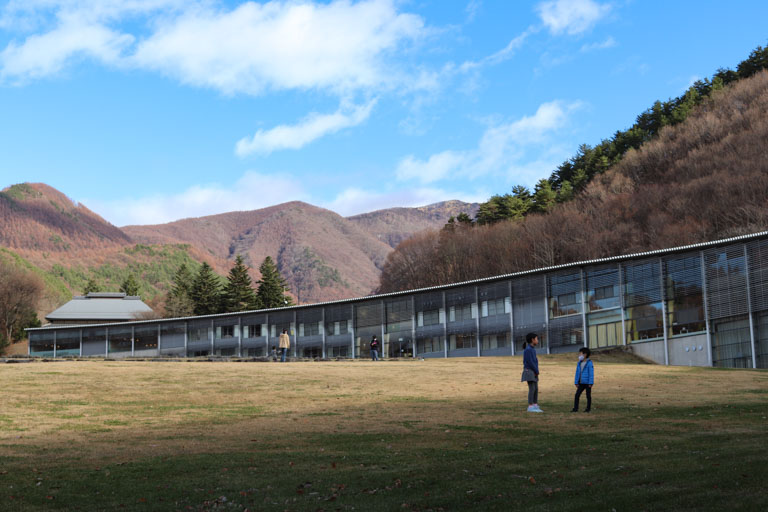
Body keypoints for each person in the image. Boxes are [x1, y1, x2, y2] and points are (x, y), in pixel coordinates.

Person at [521, 332, 542, 413]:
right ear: (532, 340)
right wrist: (536, 371)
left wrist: (536, 371)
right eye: (537, 339)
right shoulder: (528, 350)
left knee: (536, 388)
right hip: (529, 371)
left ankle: (535, 404)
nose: (538, 340)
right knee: (532, 388)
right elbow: (530, 362)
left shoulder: (532, 349)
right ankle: (530, 406)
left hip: (533, 371)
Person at [572, 347, 594, 413]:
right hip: (581, 383)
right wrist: (576, 382)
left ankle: (588, 408)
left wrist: (590, 383)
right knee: (577, 395)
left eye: (580, 354)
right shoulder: (579, 363)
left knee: (588, 396)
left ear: (585, 354)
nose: (579, 355)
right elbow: (577, 373)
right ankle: (575, 408)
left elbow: (591, 374)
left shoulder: (589, 363)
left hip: (587, 383)